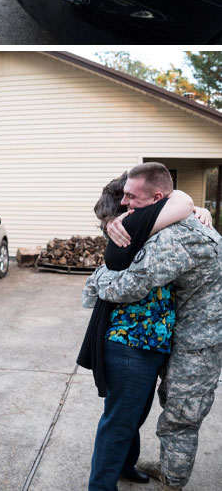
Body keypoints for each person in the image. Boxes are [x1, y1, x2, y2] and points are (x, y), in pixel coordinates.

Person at [83, 162, 222, 491]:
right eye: (123, 203)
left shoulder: (170, 232)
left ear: (157, 199)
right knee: (125, 420)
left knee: (152, 417)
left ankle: (138, 469)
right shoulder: (139, 234)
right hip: (131, 343)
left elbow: (134, 281)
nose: (126, 208)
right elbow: (125, 284)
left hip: (171, 342)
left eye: (132, 200)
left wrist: (193, 206)